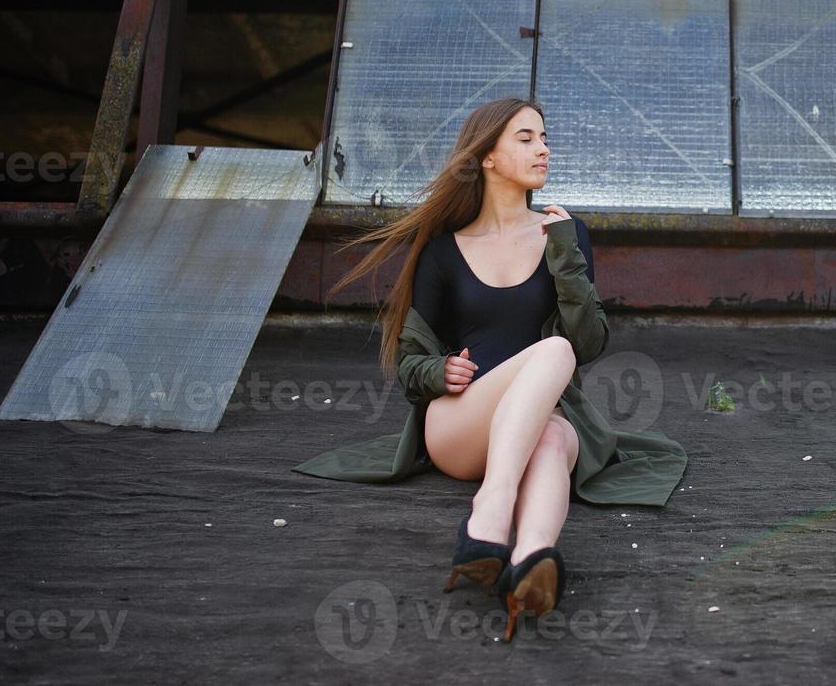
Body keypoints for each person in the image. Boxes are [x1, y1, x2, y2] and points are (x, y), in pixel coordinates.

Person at [293, 97, 687, 642]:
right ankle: (492, 507)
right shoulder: (442, 253)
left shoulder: (563, 235)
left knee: (551, 434)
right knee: (553, 353)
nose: (543, 148)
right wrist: (439, 373)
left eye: (544, 137)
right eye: (526, 139)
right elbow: (409, 364)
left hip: (547, 416)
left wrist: (565, 254)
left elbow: (590, 342)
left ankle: (531, 560)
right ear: (487, 158)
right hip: (462, 424)